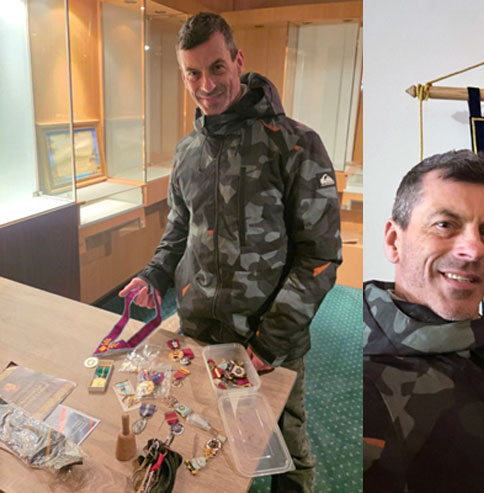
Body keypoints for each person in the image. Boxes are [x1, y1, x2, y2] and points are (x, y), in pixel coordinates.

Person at [119, 12, 340, 492]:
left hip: (269, 342)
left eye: (217, 67)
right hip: (200, 332)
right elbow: (181, 228)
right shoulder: (187, 152)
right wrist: (154, 275)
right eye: (193, 73)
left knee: (286, 451)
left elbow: (320, 258)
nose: (207, 85)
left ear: (238, 61)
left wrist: (268, 343)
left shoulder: (295, 144)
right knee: (202, 439)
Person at [362, 150, 484, 492]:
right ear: (393, 241)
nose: (473, 250)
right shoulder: (364, 386)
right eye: (445, 225)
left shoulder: (468, 345)